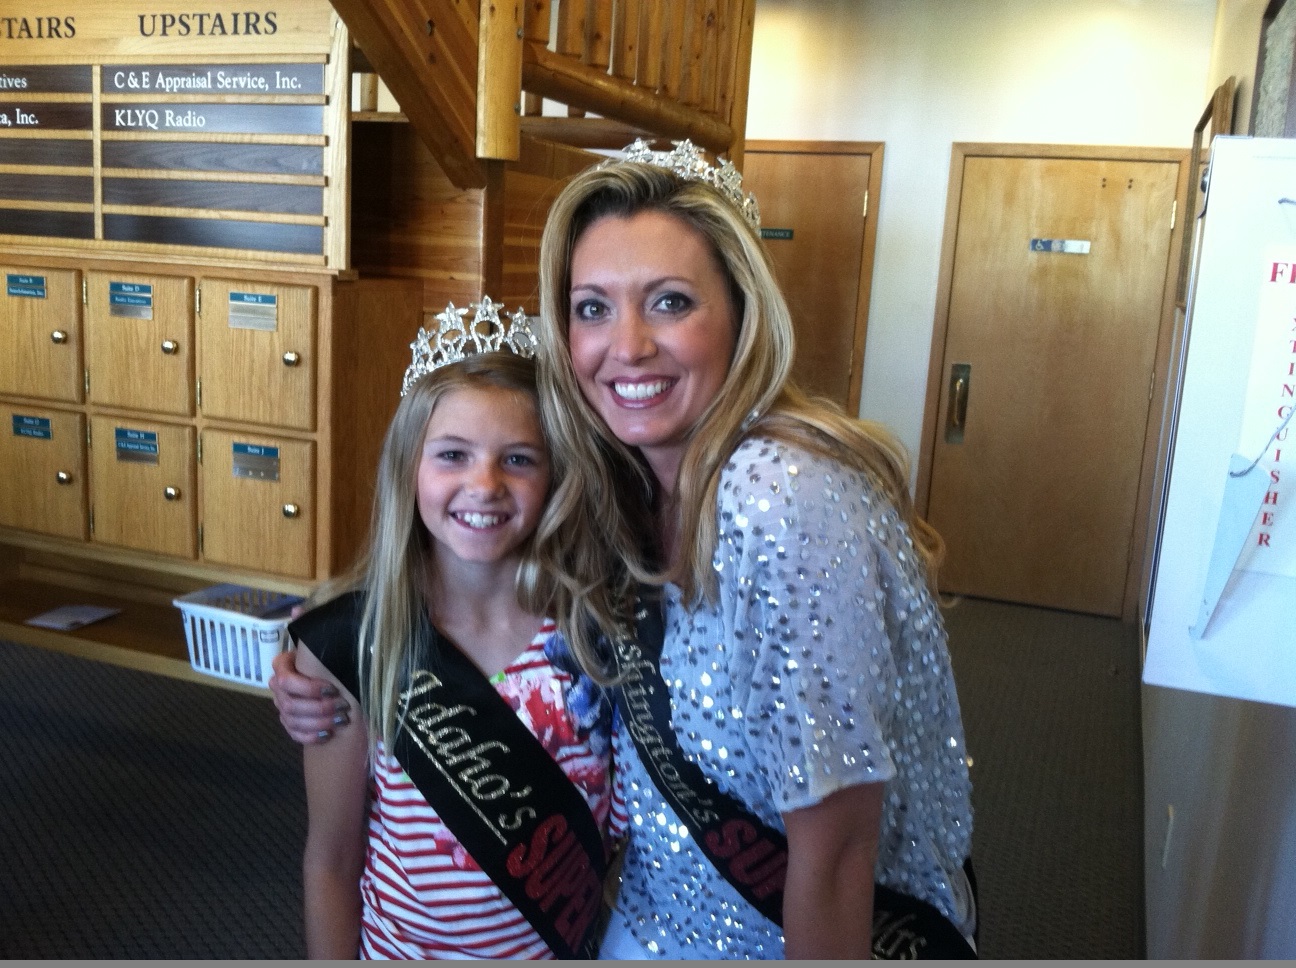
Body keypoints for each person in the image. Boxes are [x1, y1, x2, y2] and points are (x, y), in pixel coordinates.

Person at [273, 141, 975, 960]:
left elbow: (840, 854)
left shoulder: (781, 497)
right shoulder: (625, 495)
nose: (629, 345)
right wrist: (311, 665)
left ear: (743, 310)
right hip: (639, 924)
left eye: (671, 301)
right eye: (593, 308)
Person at [287, 300, 619, 960]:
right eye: (453, 455)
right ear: (408, 466)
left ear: (556, 473)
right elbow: (331, 859)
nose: (484, 484)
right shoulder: (357, 645)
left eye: (518, 459)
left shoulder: (594, 631)